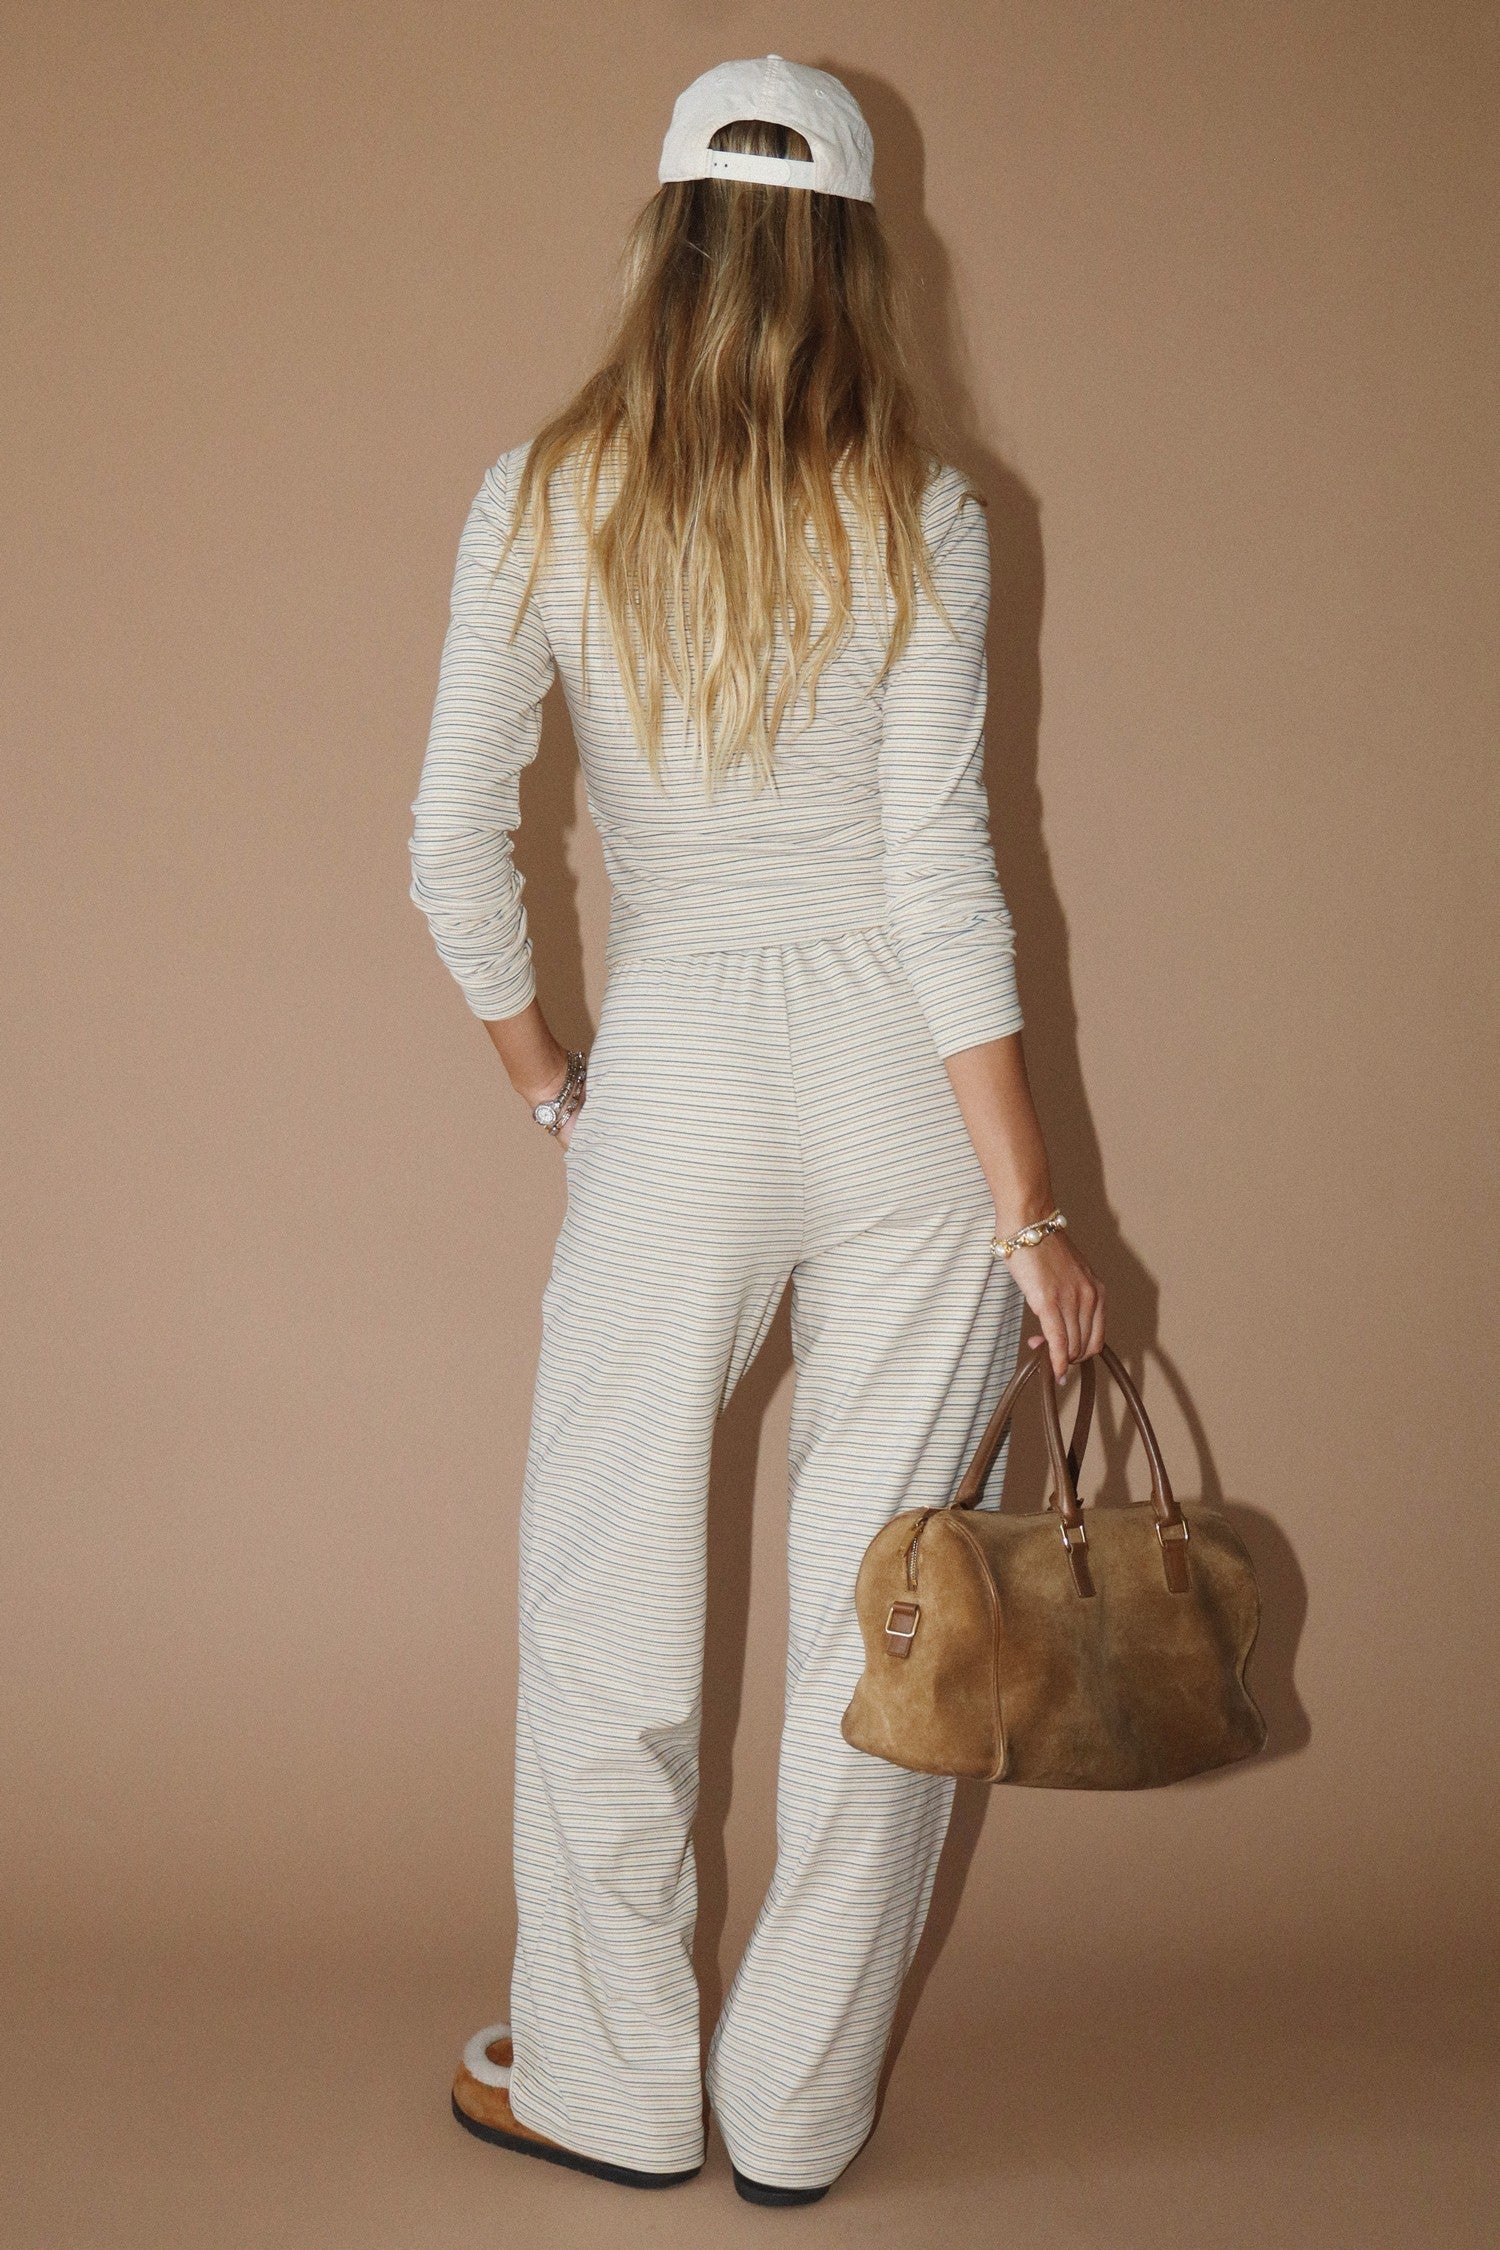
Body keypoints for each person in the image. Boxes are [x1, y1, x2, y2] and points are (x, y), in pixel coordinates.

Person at [407, 54, 1106, 2208]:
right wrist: (1032, 1215)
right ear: (857, 258)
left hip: (681, 1101)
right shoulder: (932, 513)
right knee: (883, 1627)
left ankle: (615, 2089)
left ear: (665, 237)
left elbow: (451, 854)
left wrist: (555, 1086)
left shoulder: (539, 495)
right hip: (908, 1110)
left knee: (604, 1611)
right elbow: (945, 879)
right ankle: (794, 2112)